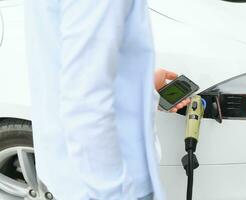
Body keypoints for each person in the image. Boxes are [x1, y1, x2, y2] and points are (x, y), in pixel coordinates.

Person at [24, 1, 190, 200]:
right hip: (113, 184)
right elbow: (86, 104)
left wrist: (145, 88)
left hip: (73, 174)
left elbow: (82, 71)